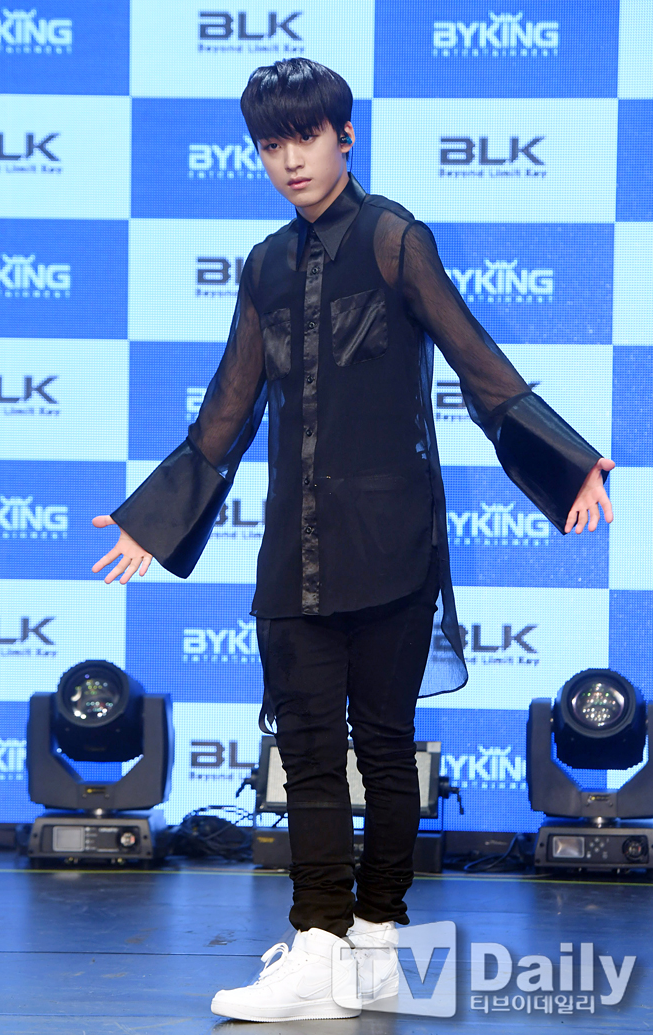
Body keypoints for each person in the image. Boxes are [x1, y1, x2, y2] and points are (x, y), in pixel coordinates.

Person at [92, 58, 614, 1022]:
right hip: (293, 549)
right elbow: (229, 409)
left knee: (383, 745)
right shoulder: (263, 265)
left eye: (306, 137)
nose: (290, 160)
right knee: (305, 749)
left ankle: (375, 941)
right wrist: (152, 519)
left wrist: (567, 461)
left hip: (391, 542)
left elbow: (479, 363)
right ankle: (318, 946)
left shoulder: (393, 240)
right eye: (270, 144)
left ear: (346, 136)